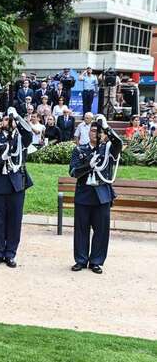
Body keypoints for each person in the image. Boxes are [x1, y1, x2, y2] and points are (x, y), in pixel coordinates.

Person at [69, 115, 122, 274]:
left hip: (102, 195)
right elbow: (73, 172)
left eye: (99, 131)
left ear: (103, 134)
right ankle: (81, 260)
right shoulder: (80, 150)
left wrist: (106, 127)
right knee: (81, 230)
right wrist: (88, 166)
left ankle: (96, 261)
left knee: (101, 231)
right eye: (93, 130)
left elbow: (119, 144)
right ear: (88, 132)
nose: (96, 133)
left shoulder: (108, 149)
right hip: (84, 194)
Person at [0, 107, 33, 268]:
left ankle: (10, 253)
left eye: (10, 119)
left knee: (14, 221)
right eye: (5, 119)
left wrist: (17, 117)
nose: (8, 122)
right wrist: (1, 159)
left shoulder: (21, 139)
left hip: (16, 185)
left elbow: (29, 133)